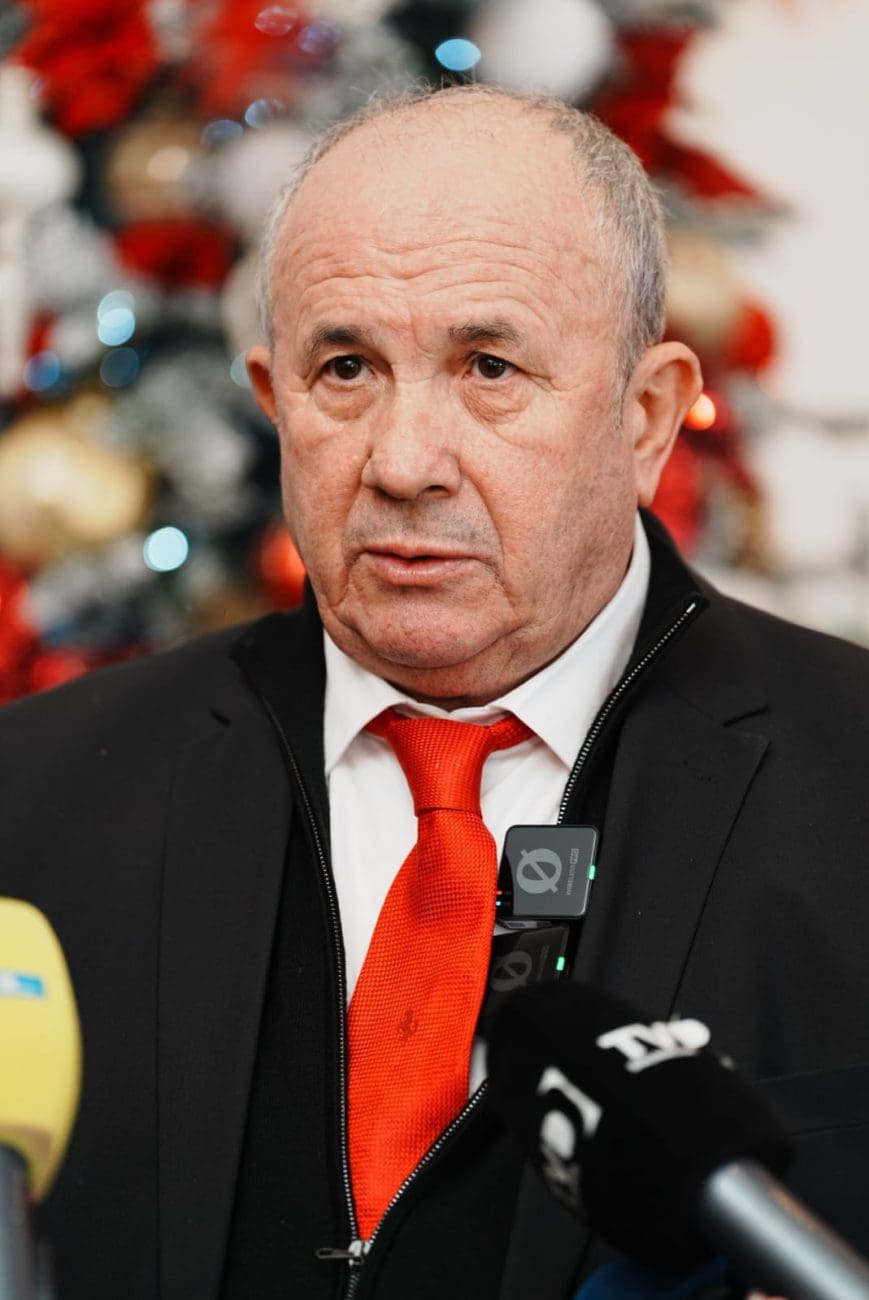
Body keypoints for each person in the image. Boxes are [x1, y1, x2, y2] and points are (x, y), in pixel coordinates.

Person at [1, 84, 868, 1300]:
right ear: (272, 401)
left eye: (488, 366)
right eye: (345, 368)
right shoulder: (31, 800)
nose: (404, 462)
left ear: (645, 417)